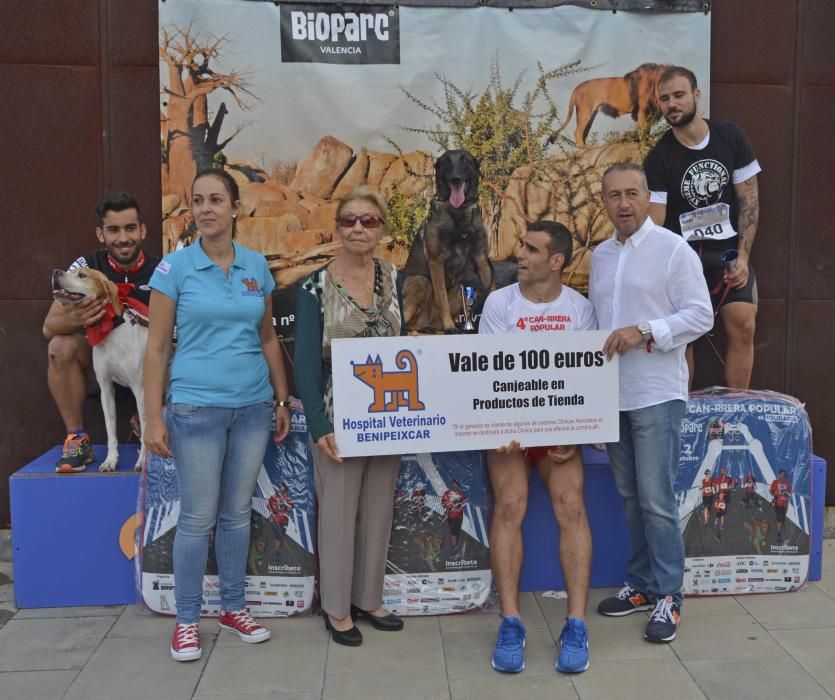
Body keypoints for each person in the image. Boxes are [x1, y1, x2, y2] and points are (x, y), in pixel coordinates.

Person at [143, 168, 292, 662]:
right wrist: (154, 417)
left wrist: (279, 397)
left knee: (234, 515)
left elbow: (268, 337)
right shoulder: (174, 269)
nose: (206, 209)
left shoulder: (255, 266)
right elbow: (157, 347)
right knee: (198, 517)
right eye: (197, 200)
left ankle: (232, 607)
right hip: (195, 409)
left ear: (234, 208)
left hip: (251, 409)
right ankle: (187, 620)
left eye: (215, 200)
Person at [589, 163, 713, 643]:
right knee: (630, 496)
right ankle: (640, 585)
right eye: (614, 195)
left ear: (647, 198)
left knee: (657, 499)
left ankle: (669, 595)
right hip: (613, 395)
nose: (623, 203)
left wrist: (646, 331)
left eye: (632, 194)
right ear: (604, 201)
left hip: (657, 392)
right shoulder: (600, 255)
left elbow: (700, 315)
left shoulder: (672, 249)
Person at [479, 221, 596, 674]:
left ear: (557, 262)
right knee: (510, 504)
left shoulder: (581, 309)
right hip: (509, 429)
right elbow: (487, 373)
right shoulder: (498, 303)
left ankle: (576, 623)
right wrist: (501, 423)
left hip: (558, 430)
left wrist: (573, 430)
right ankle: (510, 621)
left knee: (571, 505)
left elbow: (587, 377)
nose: (518, 254)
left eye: (530, 249)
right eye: (520, 245)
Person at [294, 186, 406, 647]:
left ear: (382, 228)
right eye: (349, 221)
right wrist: (319, 426)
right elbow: (302, 362)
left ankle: (369, 597)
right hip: (339, 417)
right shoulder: (313, 286)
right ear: (337, 228)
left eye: (369, 221)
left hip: (390, 415)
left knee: (378, 510)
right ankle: (338, 608)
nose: (359, 228)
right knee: (338, 512)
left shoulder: (394, 276)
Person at [644, 66, 761, 390]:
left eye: (679, 95)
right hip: (683, 256)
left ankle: (738, 405)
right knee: (684, 336)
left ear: (697, 95)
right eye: (665, 99)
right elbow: (655, 219)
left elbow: (749, 201)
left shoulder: (730, 137)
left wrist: (743, 257)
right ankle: (685, 409)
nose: (672, 104)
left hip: (726, 251)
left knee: (744, 324)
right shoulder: (658, 157)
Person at [43, 192, 159, 472]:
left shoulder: (162, 269)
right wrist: (79, 316)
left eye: (130, 228)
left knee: (172, 350)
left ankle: (159, 428)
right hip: (100, 354)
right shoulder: (86, 267)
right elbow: (49, 326)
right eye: (113, 230)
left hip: (149, 364)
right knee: (60, 346)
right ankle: (77, 439)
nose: (123, 238)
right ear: (100, 233)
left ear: (142, 230)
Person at [267, 482, 294, 557]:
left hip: (285, 520)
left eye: (282, 486)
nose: (280, 488)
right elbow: (268, 505)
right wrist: (272, 513)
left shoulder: (288, 498)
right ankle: (277, 552)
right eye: (280, 486)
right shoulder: (274, 496)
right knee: (278, 536)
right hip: (276, 519)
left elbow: (292, 507)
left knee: (282, 536)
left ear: (285, 488)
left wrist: (285, 503)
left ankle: (279, 551)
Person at [441, 479, 467, 554]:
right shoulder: (447, 493)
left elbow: (465, 502)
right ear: (451, 485)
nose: (454, 486)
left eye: (456, 485)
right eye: (453, 485)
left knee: (457, 532)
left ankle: (455, 544)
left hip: (459, 517)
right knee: (453, 532)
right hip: (450, 516)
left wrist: (460, 504)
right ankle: (454, 546)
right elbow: (443, 502)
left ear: (458, 486)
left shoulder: (461, 494)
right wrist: (448, 506)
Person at [770, 469, 792, 544]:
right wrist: (775, 492)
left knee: (782, 519)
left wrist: (787, 493)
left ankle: (779, 533)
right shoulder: (775, 482)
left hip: (785, 504)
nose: (783, 475)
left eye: (784, 474)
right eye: (781, 474)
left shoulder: (787, 483)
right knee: (779, 518)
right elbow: (771, 491)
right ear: (779, 474)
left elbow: (790, 493)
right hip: (777, 503)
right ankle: (779, 534)